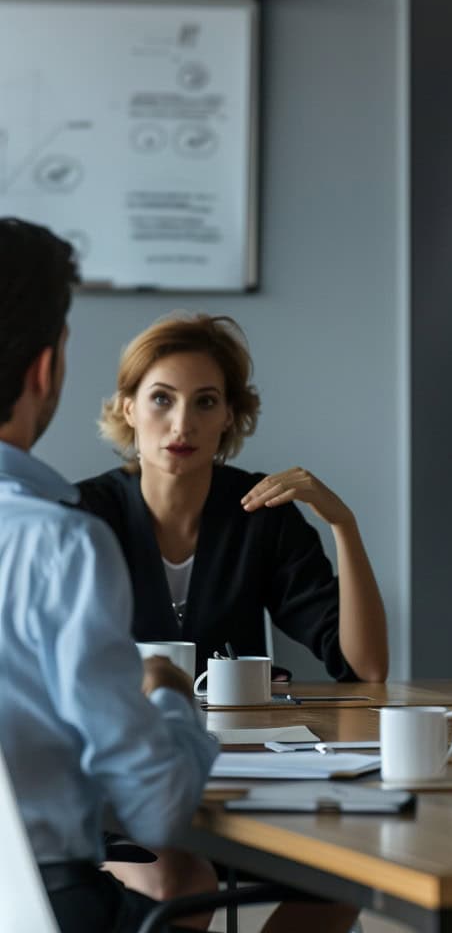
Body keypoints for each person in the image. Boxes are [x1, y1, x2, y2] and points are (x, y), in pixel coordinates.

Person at [77, 311, 386, 932]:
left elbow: (364, 666)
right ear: (128, 408)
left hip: (238, 771)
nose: (182, 424)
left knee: (357, 870)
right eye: (161, 399)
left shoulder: (262, 515)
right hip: (122, 774)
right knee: (174, 879)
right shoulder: (84, 516)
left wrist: (343, 524)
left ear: (229, 419)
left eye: (205, 402)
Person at [0, 217, 219, 933]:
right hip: (41, 905)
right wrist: (169, 700)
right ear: (47, 366)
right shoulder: (61, 542)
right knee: (185, 895)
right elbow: (154, 807)